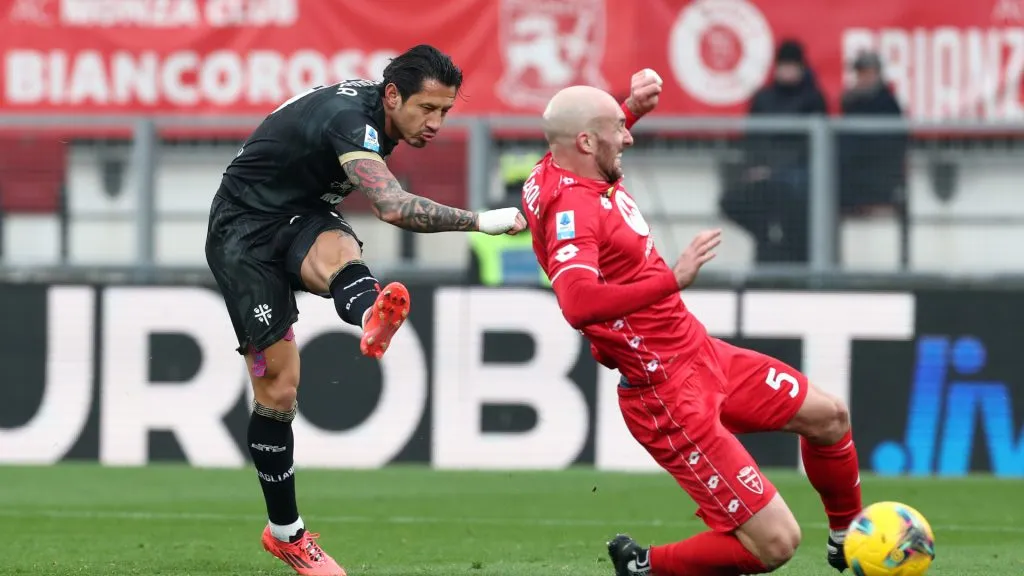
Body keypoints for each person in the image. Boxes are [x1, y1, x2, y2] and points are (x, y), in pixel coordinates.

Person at [521, 70, 862, 576]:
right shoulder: (573, 207)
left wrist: (631, 105)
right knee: (777, 544)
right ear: (588, 142)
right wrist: (672, 280)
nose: (629, 135)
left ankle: (850, 539)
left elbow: (584, 133)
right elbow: (576, 302)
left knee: (829, 416)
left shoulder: (565, 164)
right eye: (621, 127)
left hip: (701, 353)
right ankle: (644, 566)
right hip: (665, 393)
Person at [205, 44, 526, 576]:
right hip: (241, 232)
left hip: (300, 215)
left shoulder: (378, 116)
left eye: (445, 111)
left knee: (339, 250)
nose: (436, 123)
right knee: (279, 389)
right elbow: (392, 206)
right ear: (393, 95)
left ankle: (372, 313)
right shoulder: (352, 121)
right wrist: (479, 221)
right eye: (427, 109)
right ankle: (286, 534)